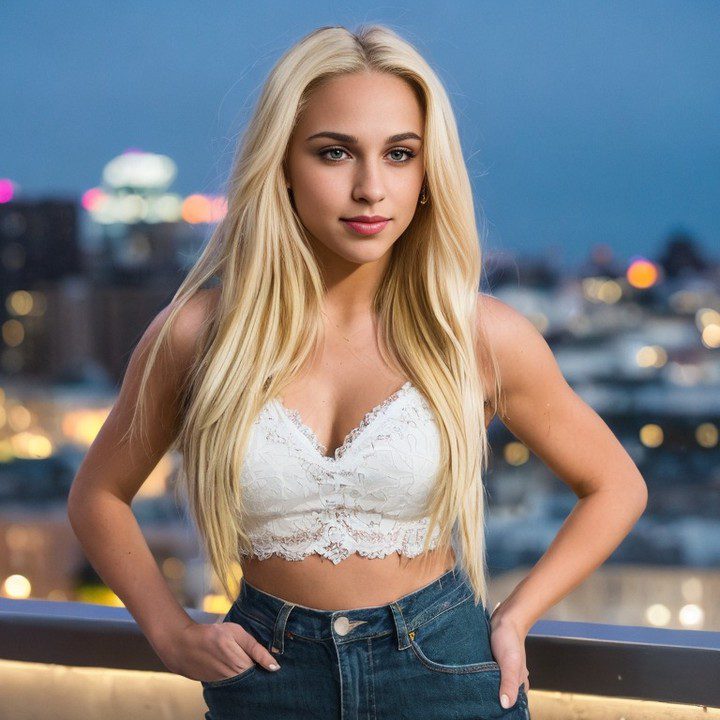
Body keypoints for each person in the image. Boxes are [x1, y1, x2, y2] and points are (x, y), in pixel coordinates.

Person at [67, 23, 648, 720]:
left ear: (428, 173)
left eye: (400, 154)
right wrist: (172, 635)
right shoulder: (198, 335)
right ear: (281, 163)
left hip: (446, 674)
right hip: (265, 679)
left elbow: (615, 486)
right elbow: (98, 495)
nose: (371, 187)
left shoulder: (478, 336)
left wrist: (516, 616)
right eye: (334, 152)